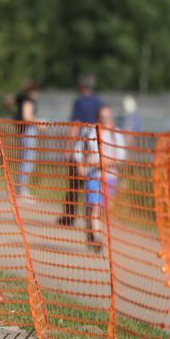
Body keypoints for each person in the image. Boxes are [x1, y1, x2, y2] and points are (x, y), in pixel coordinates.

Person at [73, 105, 126, 253]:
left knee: (100, 209)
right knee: (94, 207)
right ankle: (96, 238)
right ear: (98, 118)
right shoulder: (90, 132)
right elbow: (77, 151)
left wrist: (102, 162)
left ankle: (91, 232)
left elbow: (120, 158)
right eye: (103, 117)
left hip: (110, 177)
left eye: (108, 117)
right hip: (94, 175)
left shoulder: (117, 134)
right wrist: (81, 166)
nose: (105, 120)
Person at [60, 73, 105, 227]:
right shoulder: (99, 102)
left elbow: (75, 125)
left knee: (73, 184)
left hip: (80, 147)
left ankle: (69, 216)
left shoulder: (79, 102)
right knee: (93, 183)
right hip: (95, 146)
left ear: (82, 87)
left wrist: (69, 148)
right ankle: (92, 218)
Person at [14, 78, 40, 198]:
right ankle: (22, 190)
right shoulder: (29, 100)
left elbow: (8, 100)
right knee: (28, 160)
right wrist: (39, 122)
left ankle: (19, 188)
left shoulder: (20, 97)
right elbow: (26, 117)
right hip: (28, 130)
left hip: (21, 131)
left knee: (24, 160)